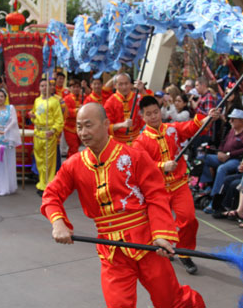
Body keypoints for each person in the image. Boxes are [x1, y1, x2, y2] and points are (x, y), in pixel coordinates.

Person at [41, 103, 205, 308]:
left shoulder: (134, 156)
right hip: (111, 251)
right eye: (79, 127)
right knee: (118, 304)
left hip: (147, 244)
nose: (83, 132)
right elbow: (51, 194)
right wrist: (58, 222)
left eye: (88, 125)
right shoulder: (74, 164)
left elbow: (156, 196)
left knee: (170, 301)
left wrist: (162, 234)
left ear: (106, 124)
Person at [133, 95, 220, 275]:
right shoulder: (140, 141)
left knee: (188, 219)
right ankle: (165, 248)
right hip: (158, 190)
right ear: (143, 117)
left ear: (160, 111)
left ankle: (184, 252)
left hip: (179, 185)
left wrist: (208, 117)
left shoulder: (172, 129)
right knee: (159, 225)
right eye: (148, 114)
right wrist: (161, 166)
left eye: (156, 112)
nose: (154, 116)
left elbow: (192, 127)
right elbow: (141, 167)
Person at [199, 108, 243, 214]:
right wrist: (220, 152)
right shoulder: (232, 130)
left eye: (233, 119)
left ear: (242, 121)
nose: (230, 121)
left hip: (236, 159)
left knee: (222, 169)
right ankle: (206, 184)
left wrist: (229, 155)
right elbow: (223, 142)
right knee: (203, 158)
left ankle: (214, 197)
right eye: (230, 119)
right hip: (223, 156)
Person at [30, 79, 64, 195]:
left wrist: (53, 130)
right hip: (38, 134)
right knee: (39, 160)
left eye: (46, 85)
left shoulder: (54, 102)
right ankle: (41, 182)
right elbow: (35, 116)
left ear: (50, 88)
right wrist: (32, 116)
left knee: (48, 161)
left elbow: (59, 120)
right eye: (42, 85)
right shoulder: (37, 100)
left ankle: (47, 186)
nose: (44, 88)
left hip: (48, 134)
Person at [104, 73, 146, 145]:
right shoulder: (110, 102)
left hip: (138, 140)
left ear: (130, 84)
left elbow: (150, 106)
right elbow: (106, 126)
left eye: (126, 84)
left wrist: (142, 91)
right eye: (120, 84)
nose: (124, 87)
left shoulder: (137, 97)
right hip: (118, 143)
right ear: (115, 86)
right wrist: (122, 125)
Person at [62, 79, 82, 157]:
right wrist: (78, 110)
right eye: (74, 87)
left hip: (80, 128)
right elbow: (67, 112)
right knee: (73, 148)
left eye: (78, 87)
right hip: (69, 128)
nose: (76, 89)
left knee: (76, 147)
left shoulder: (82, 98)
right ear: (70, 88)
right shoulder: (66, 99)